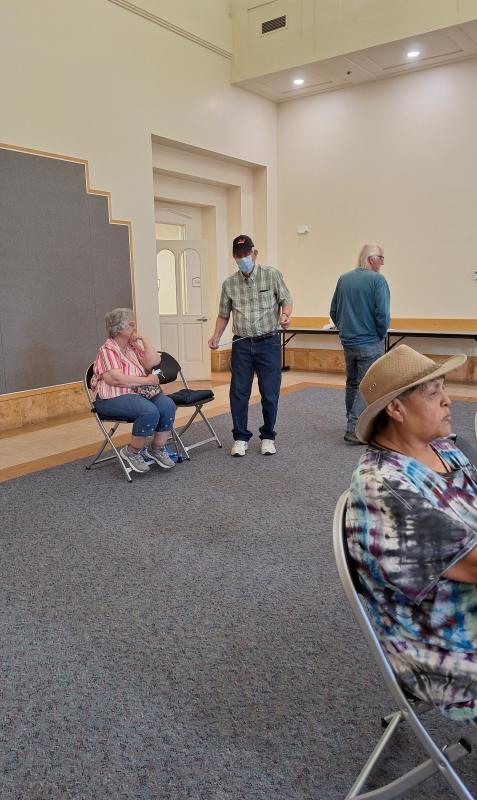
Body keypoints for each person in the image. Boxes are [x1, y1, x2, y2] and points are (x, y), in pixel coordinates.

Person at [346, 344, 477, 724]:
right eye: (434, 393)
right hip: (445, 647)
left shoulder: (443, 450)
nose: (448, 401)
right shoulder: (385, 487)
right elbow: (472, 566)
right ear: (396, 409)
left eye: (443, 389)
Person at [208, 235, 293, 457]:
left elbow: (286, 300)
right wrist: (216, 336)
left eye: (246, 254)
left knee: (270, 392)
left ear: (255, 254)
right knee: (238, 392)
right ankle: (240, 437)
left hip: (269, 342)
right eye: (239, 255)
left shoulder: (271, 275)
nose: (243, 258)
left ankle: (268, 436)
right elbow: (223, 314)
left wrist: (285, 315)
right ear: (234, 257)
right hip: (242, 344)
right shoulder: (229, 284)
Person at [91, 308, 177, 473]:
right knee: (149, 411)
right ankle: (131, 452)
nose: (135, 327)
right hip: (111, 397)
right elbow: (116, 379)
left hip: (138, 392)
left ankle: (156, 449)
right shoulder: (107, 350)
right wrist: (147, 380)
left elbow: (153, 363)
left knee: (167, 405)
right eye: (131, 324)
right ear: (118, 328)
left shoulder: (132, 347)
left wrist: (144, 339)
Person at [330, 243, 390, 444]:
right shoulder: (378, 280)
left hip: (348, 341)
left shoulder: (344, 279)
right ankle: (354, 429)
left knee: (352, 383)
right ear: (372, 259)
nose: (382, 263)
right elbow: (382, 314)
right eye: (381, 258)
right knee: (367, 386)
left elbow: (333, 311)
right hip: (370, 342)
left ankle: (352, 420)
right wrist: (380, 334)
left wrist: (345, 330)